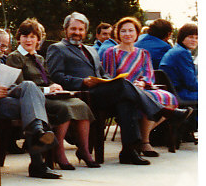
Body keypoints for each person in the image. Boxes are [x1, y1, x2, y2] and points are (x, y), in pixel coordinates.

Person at [46, 12, 166, 165]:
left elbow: (103, 73)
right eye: (73, 29)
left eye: (81, 29)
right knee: (124, 86)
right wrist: (83, 82)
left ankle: (129, 151)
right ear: (65, 30)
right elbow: (57, 77)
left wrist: (110, 80)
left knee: (125, 99)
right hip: (81, 95)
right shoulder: (57, 48)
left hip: (101, 92)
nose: (77, 33)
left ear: (86, 31)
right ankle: (157, 109)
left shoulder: (91, 50)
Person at [5, 19, 98, 169]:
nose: (28, 40)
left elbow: (47, 79)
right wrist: (47, 90)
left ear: (38, 40)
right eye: (24, 36)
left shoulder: (39, 58)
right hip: (35, 98)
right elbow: (21, 87)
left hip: (48, 94)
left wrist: (55, 86)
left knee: (81, 105)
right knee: (64, 108)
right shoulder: (15, 57)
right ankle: (58, 152)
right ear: (18, 38)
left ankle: (84, 151)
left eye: (32, 37)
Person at [103, 17, 185, 157]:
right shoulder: (111, 52)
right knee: (149, 97)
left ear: (137, 33)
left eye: (131, 30)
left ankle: (142, 138)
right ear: (118, 33)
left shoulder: (143, 53)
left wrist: (142, 83)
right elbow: (109, 76)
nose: (127, 34)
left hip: (142, 88)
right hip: (122, 90)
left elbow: (148, 75)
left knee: (167, 97)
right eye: (123, 31)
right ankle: (145, 142)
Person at [0, 28, 61, 179]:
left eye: (6, 46)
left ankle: (37, 131)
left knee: (30, 86)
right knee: (31, 106)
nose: (4, 50)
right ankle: (37, 162)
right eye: (1, 46)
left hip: (5, 97)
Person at [160, 23, 198, 103]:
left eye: (197, 38)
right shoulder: (182, 53)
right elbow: (191, 84)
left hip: (175, 91)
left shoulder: (177, 50)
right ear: (182, 37)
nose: (194, 40)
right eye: (190, 37)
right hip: (180, 93)